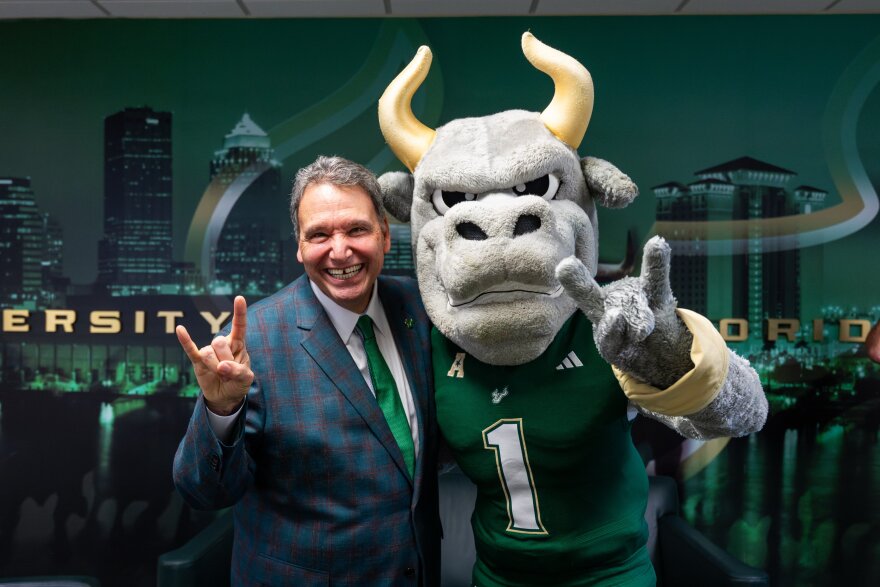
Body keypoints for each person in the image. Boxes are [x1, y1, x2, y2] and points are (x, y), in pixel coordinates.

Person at [172, 156, 440, 586]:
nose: (340, 251)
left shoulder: (422, 312)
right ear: (298, 247)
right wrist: (221, 412)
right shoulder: (252, 343)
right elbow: (203, 491)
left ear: (385, 235)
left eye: (356, 229)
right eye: (319, 235)